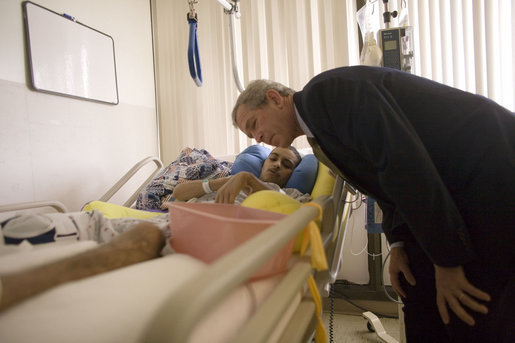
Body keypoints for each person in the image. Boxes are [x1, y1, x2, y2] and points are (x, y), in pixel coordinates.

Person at [231, 66, 515, 342]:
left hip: (487, 168)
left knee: (471, 306)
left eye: (255, 124)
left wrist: (447, 260)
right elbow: (383, 179)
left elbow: (404, 164)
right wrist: (399, 243)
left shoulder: (327, 96)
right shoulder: (320, 126)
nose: (258, 138)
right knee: (417, 290)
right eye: (251, 136)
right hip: (452, 182)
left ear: (275, 99)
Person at [0, 146, 309, 312]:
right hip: (173, 219)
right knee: (84, 222)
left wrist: (249, 182)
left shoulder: (293, 197)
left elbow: (291, 219)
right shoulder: (229, 178)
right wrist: (228, 180)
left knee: (144, 236)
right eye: (273, 157)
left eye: (287, 163)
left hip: (193, 235)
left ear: (295, 174)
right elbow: (180, 193)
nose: (278, 164)